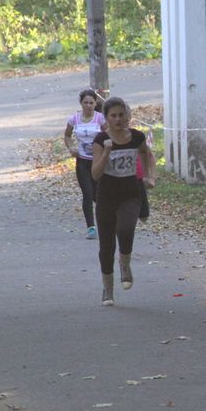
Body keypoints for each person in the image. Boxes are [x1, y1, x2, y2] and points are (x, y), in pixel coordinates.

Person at [91, 97, 156, 306]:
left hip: (130, 191)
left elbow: (146, 154)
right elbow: (95, 174)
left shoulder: (136, 137)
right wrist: (107, 151)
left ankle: (125, 264)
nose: (118, 119)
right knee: (106, 245)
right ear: (107, 118)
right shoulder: (101, 140)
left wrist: (148, 175)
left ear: (127, 115)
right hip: (107, 194)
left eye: (121, 115)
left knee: (126, 229)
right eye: (113, 115)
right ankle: (107, 289)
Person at [63, 89, 107, 239]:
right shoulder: (74, 119)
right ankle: (91, 228)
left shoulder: (100, 119)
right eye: (86, 102)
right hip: (82, 161)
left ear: (96, 103)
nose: (88, 105)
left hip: (98, 161)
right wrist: (71, 148)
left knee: (98, 195)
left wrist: (105, 150)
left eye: (91, 103)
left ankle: (107, 220)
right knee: (87, 194)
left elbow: (109, 135)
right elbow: (67, 135)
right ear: (81, 103)